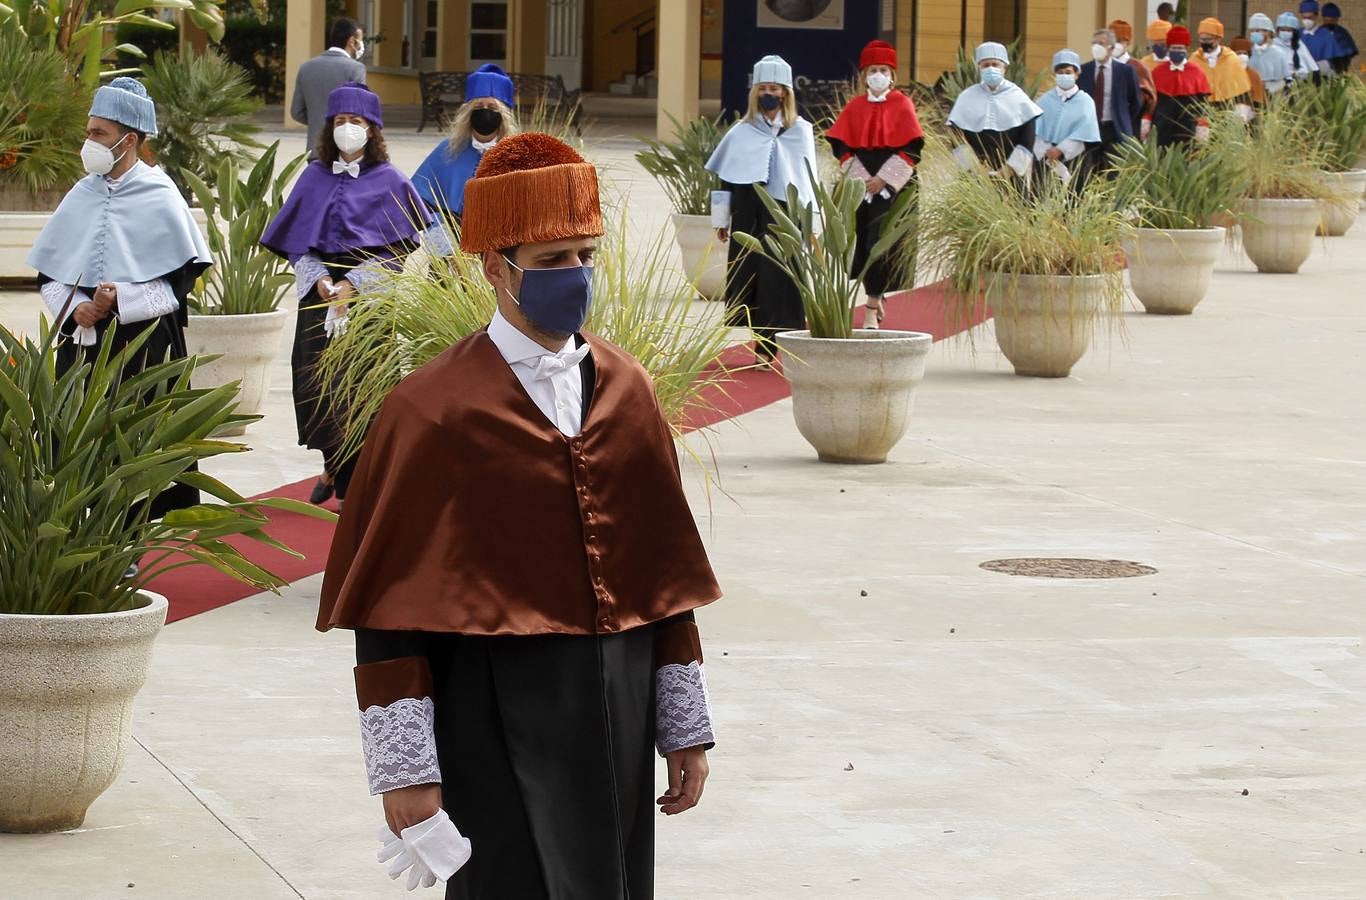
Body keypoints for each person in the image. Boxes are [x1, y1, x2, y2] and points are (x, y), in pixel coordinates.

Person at [316, 131, 722, 900]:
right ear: (495, 267)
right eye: (550, 261)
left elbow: (665, 574)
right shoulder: (429, 412)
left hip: (619, 705)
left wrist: (685, 727)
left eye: (584, 255)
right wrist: (406, 775)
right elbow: (389, 610)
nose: (574, 276)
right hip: (492, 710)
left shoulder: (628, 390)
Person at [26, 76, 211, 523]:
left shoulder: (162, 194)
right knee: (77, 444)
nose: (87, 142)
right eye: (88, 132)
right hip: (84, 344)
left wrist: (121, 298)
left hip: (144, 346)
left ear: (129, 140)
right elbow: (49, 274)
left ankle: (127, 540)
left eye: (98, 134)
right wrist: (77, 309)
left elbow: (178, 284)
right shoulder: (81, 193)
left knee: (140, 445)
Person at [261, 83, 443, 508]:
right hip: (318, 292)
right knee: (316, 384)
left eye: (356, 122)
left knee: (360, 387)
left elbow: (403, 244)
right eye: (340, 122)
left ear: (372, 130)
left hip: (370, 295)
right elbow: (295, 239)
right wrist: (321, 278)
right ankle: (333, 464)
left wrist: (354, 284)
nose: (347, 129)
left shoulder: (391, 179)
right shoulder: (313, 175)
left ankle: (355, 483)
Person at [706, 54, 819, 364]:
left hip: (785, 214)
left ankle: (781, 345)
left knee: (782, 279)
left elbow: (809, 181)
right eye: (763, 87)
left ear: (785, 92)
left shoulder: (801, 131)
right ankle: (762, 347)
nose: (769, 93)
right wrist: (720, 219)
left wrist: (812, 225)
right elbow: (723, 180)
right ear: (755, 92)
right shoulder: (740, 132)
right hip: (747, 213)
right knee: (752, 278)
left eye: (775, 88)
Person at [824, 40, 924, 330]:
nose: (878, 75)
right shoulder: (855, 107)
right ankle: (874, 297)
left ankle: (871, 305)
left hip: (896, 187)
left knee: (886, 245)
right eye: (872, 70)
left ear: (892, 75)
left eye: (883, 70)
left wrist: (884, 179)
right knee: (865, 245)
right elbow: (841, 147)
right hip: (862, 186)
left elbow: (913, 149)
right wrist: (860, 180)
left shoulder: (903, 104)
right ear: (864, 75)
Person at [412, 64, 518, 225]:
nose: (485, 111)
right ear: (468, 112)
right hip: (452, 238)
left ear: (504, 115)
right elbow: (417, 198)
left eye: (492, 107)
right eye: (478, 107)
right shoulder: (449, 149)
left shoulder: (518, 153)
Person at [946, 42, 1042, 180]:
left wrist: (1008, 170)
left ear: (1004, 67)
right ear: (979, 67)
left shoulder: (1019, 98)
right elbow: (955, 137)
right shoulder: (966, 97)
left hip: (1011, 177)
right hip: (973, 177)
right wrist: (974, 169)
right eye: (986, 65)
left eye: (995, 64)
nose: (990, 68)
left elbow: (1027, 140)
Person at [291, 18, 367, 159]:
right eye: (360, 40)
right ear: (351, 41)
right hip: (346, 152)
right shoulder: (356, 69)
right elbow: (359, 110)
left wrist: (318, 121)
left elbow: (296, 112)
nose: (362, 45)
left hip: (315, 150)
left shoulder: (306, 67)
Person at [1033, 50, 1101, 190]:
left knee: (1073, 199)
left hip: (1075, 161)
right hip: (1046, 161)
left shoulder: (1085, 101)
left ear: (1076, 74)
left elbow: (1085, 132)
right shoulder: (1044, 100)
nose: (1064, 75)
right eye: (1060, 72)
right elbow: (1035, 130)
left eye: (1068, 72)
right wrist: (1047, 150)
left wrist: (1061, 149)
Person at [1078, 29, 1143, 169]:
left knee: (1113, 174)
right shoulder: (1083, 71)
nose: (1096, 47)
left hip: (1116, 130)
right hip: (1090, 130)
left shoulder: (1126, 71)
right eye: (1094, 43)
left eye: (1101, 43)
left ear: (1112, 48)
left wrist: (1122, 118)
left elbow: (1136, 103)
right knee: (1087, 171)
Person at [1145, 27, 1214, 148]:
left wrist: (1203, 127)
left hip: (1188, 129)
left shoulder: (1196, 72)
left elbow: (1203, 105)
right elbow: (1150, 102)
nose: (1177, 50)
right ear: (1168, 49)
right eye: (1174, 48)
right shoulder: (1157, 72)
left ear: (1186, 49)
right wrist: (1147, 121)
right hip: (1162, 128)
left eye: (1180, 48)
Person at [1189, 17, 1254, 121]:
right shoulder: (1194, 59)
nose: (1204, 42)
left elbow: (1242, 91)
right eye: (1202, 39)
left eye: (1208, 39)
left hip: (1228, 111)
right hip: (1201, 111)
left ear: (1218, 39)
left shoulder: (1232, 59)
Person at [1107, 20, 1158, 136]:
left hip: (1130, 124)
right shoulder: (1101, 66)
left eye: (1119, 41)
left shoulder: (1138, 67)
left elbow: (1149, 98)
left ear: (1128, 42)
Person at [1248, 13, 1296, 96]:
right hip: (1253, 93)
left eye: (1257, 31)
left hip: (1274, 93)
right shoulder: (1250, 52)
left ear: (1267, 32)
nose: (1254, 33)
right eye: (1252, 31)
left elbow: (1287, 77)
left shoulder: (1278, 53)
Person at [1276, 11, 1323, 81]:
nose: (1285, 32)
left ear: (1294, 32)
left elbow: (1312, 67)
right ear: (1278, 31)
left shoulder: (1299, 45)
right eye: (1283, 30)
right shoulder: (1272, 45)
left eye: (1289, 30)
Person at [1297, 1, 1339, 74]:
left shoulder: (1326, 35)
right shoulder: (1297, 34)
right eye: (1304, 17)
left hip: (1320, 77)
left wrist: (1315, 68)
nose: (1306, 20)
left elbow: (1331, 61)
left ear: (1316, 16)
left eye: (1310, 18)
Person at [1320, 3, 1359, 74]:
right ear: (1323, 18)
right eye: (1327, 19)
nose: (1330, 21)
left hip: (1338, 70)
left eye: (1333, 20)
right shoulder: (1318, 32)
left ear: (1337, 19)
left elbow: (1349, 51)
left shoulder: (1342, 33)